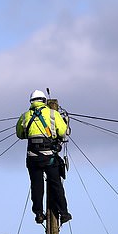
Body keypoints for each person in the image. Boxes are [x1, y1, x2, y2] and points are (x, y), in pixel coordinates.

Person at [16, 89, 72, 225]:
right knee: (55, 184)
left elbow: (20, 134)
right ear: (44, 101)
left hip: (32, 157)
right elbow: (63, 132)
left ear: (31, 102)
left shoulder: (25, 116)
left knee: (36, 185)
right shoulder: (53, 114)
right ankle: (63, 213)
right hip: (49, 157)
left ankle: (39, 214)